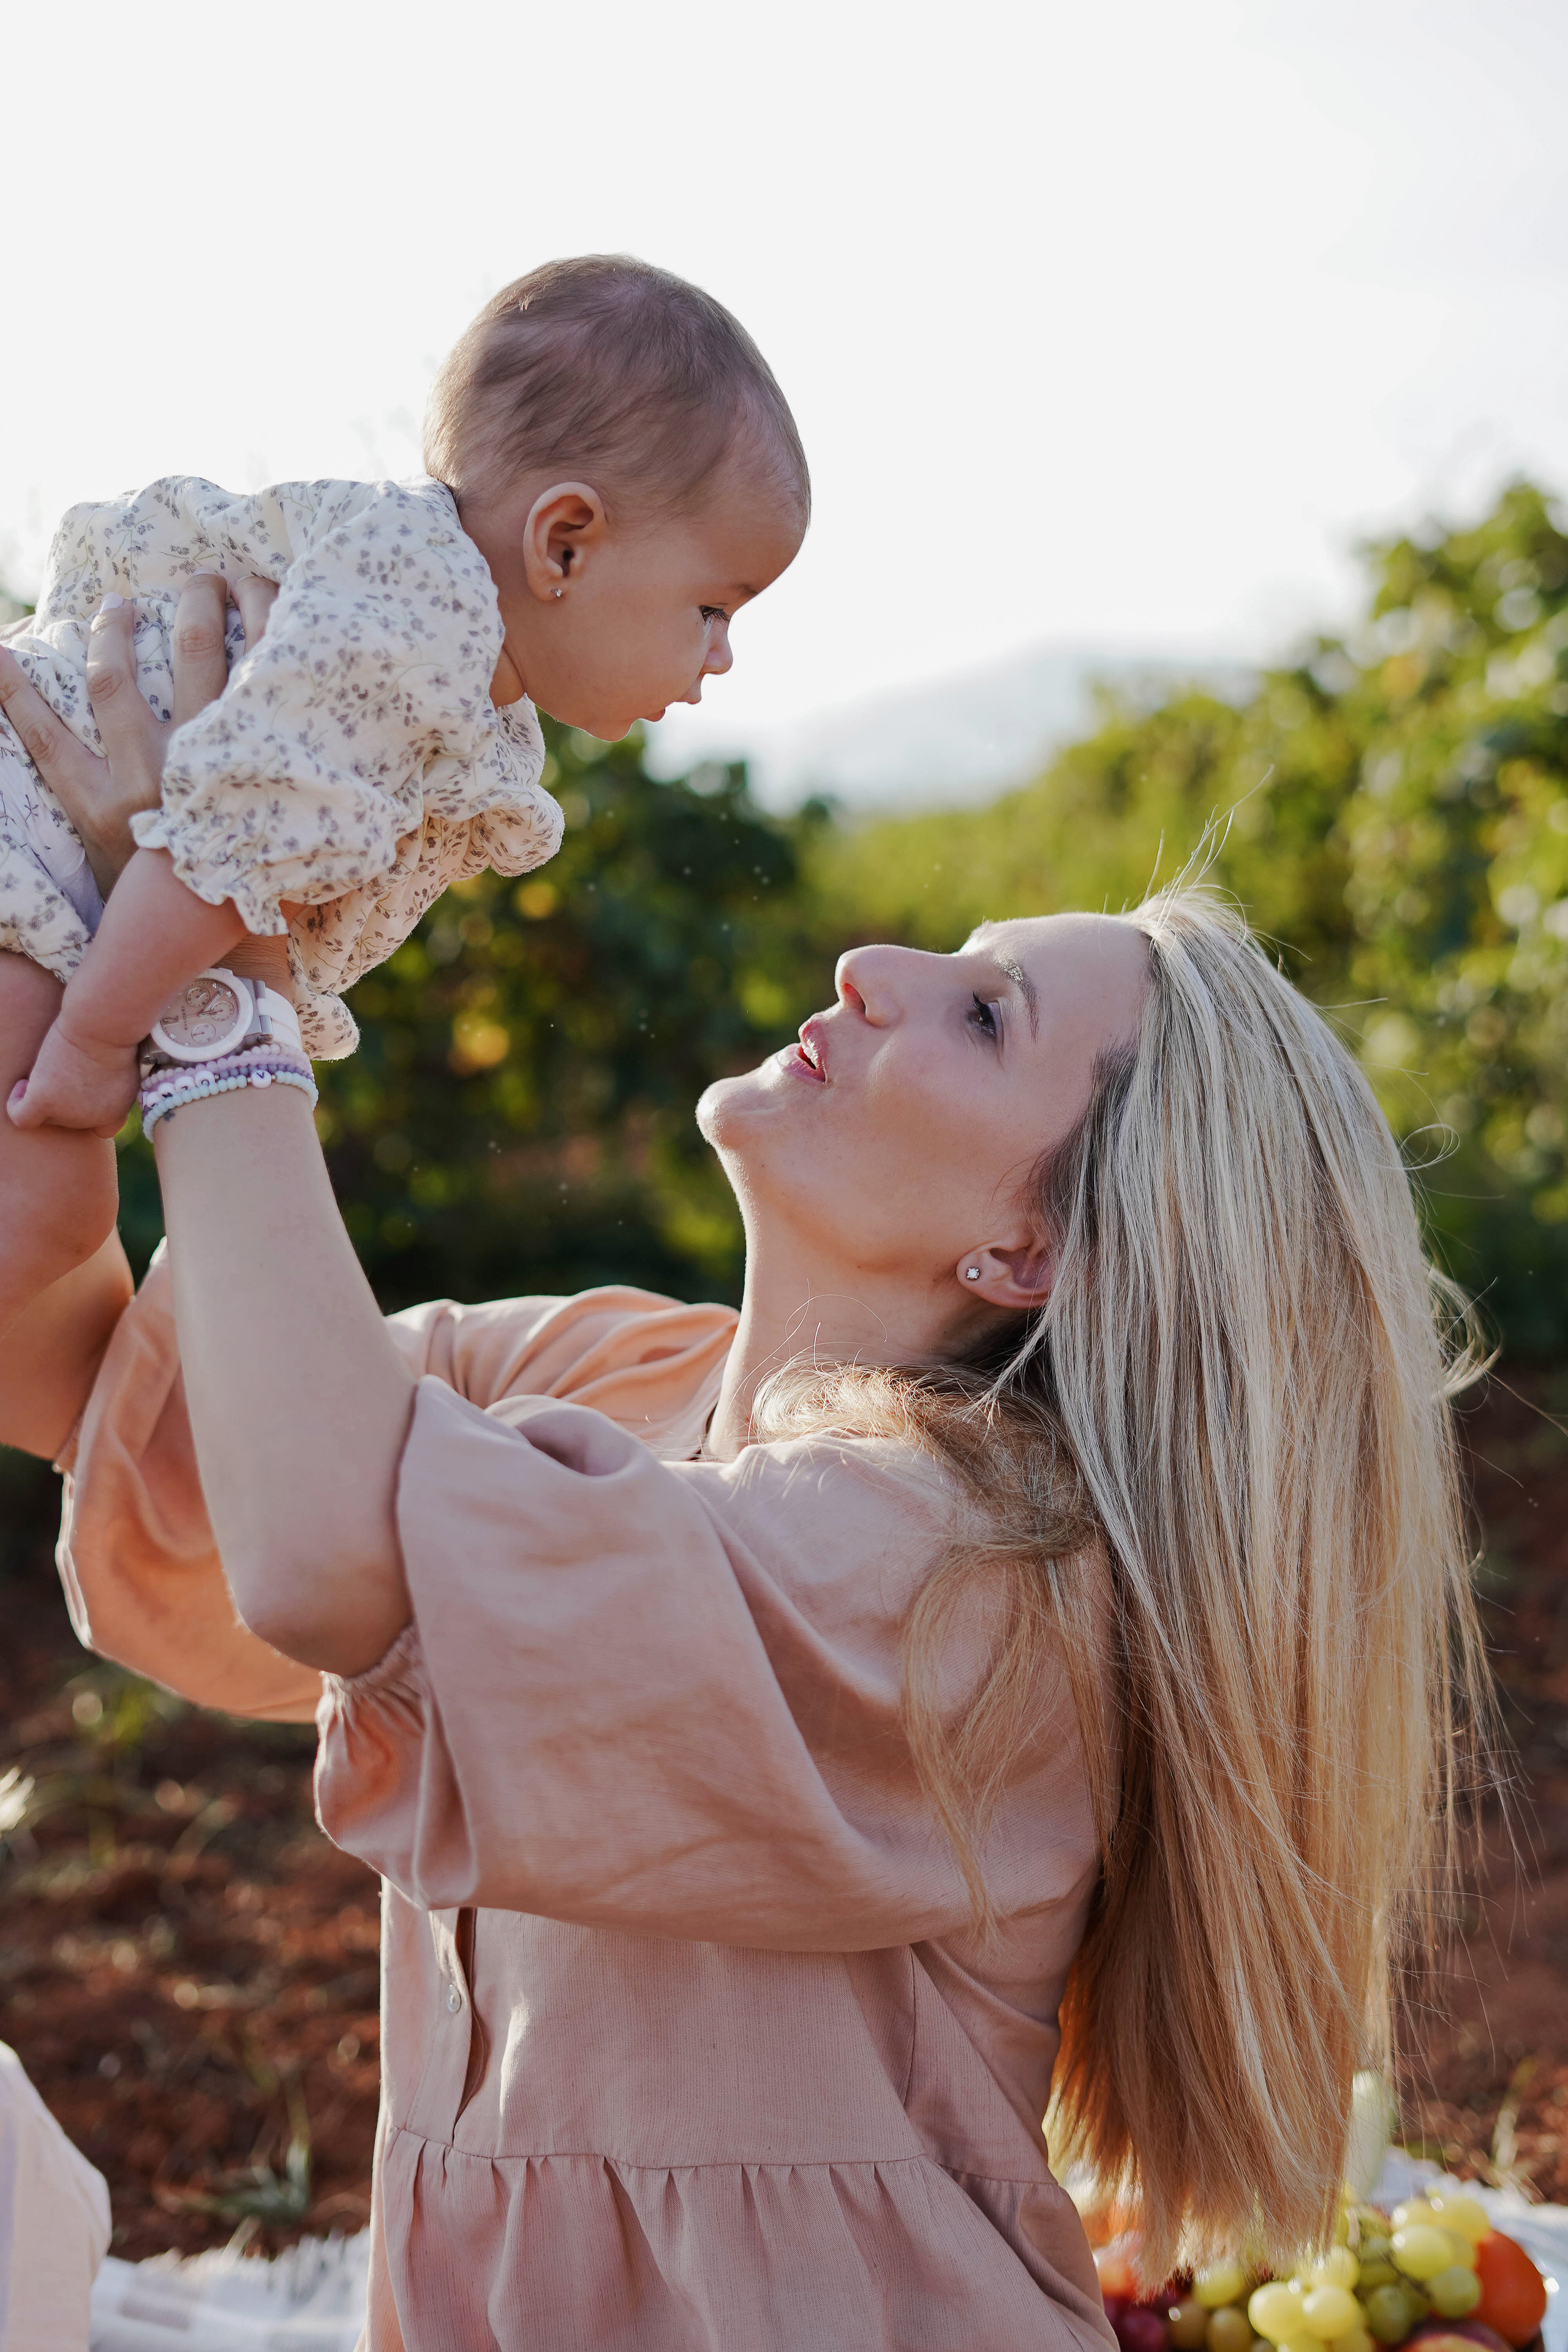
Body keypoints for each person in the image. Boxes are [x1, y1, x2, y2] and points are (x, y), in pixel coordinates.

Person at [0, 626, 1492, 2351]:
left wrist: (211, 993)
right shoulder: (614, 1378)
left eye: (984, 1013)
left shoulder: (974, 1574)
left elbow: (331, 1553)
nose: (872, 965)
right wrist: (61, 984)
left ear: (1032, 1246)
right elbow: (113, 1400)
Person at [0, 253, 807, 1332]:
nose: (720, 658)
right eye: (713, 608)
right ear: (562, 543)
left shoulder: (442, 646)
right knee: (48, 1214)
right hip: (25, 848)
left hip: (42, 870)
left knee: (53, 1262)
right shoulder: (419, 623)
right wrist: (96, 1043)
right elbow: (218, 848)